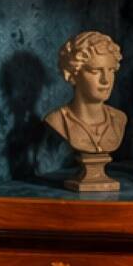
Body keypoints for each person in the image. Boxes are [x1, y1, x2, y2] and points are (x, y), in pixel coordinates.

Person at [45, 30, 126, 192]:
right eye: (95, 71)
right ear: (72, 74)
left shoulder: (119, 119)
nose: (106, 80)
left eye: (111, 70)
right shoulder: (57, 120)